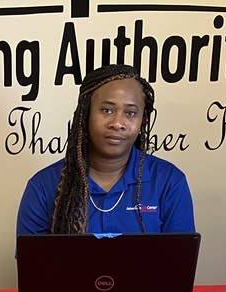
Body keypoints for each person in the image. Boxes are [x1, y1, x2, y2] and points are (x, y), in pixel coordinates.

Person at [16, 64, 195, 236]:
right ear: (86, 114)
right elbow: (33, 266)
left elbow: (179, 264)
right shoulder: (42, 187)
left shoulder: (169, 182)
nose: (117, 123)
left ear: (142, 120)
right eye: (107, 110)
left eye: (130, 113)